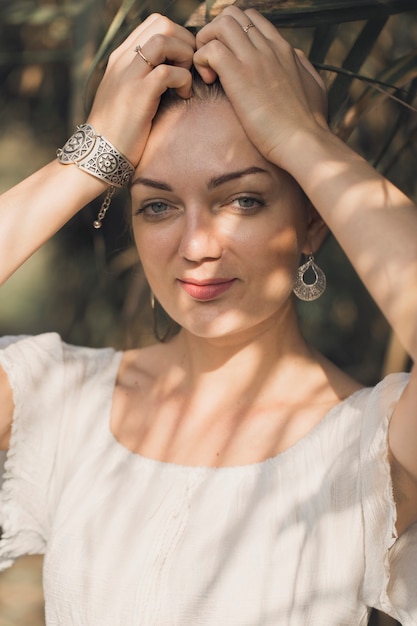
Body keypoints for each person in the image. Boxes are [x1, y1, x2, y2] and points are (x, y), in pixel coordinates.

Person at [0, 5, 416, 625]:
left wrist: (303, 139)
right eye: (158, 207)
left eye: (243, 199)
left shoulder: (372, 445)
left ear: (312, 221)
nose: (196, 245)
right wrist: (88, 158)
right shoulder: (60, 401)